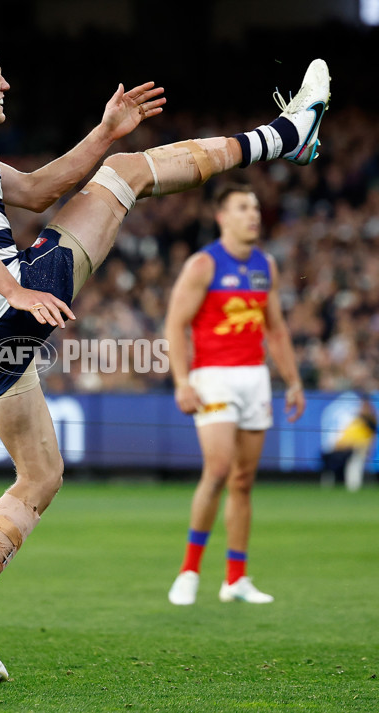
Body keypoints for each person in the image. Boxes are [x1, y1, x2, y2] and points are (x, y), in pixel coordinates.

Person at [0, 27, 329, 679]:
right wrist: (16, 287)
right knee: (127, 177)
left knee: (40, 474)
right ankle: (287, 136)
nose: (5, 84)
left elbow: (37, 193)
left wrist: (104, 132)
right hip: (10, 301)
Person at [165, 183, 307, 607]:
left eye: (257, 207)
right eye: (243, 207)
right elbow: (174, 324)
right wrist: (182, 381)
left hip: (254, 378)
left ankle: (235, 579)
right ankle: (189, 571)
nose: (254, 215)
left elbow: (276, 328)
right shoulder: (203, 265)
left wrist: (294, 380)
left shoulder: (266, 265)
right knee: (220, 468)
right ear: (221, 216)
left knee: (243, 481)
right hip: (214, 377)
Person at [320, 392, 377, 491]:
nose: (363, 408)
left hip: (358, 448)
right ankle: (328, 486)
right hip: (344, 448)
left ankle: (353, 487)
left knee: (355, 457)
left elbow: (369, 440)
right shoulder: (354, 419)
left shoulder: (370, 422)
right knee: (330, 458)